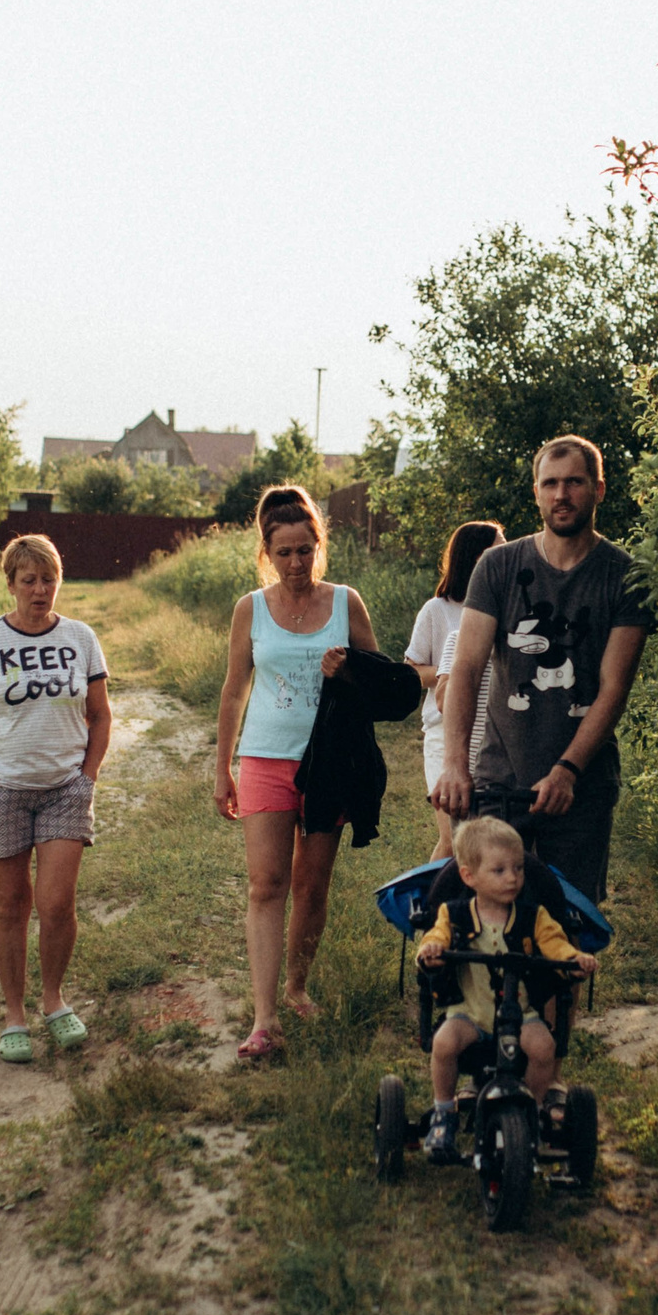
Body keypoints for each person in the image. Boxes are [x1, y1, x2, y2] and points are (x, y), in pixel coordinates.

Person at [432, 435, 654, 901]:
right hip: (499, 778)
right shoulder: (497, 566)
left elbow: (613, 689)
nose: (561, 495)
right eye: (550, 483)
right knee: (483, 920)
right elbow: (467, 670)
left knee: (566, 926)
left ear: (598, 488)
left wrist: (567, 771)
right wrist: (454, 764)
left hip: (581, 784)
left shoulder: (625, 575)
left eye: (574, 482)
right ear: (536, 491)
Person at [213, 486, 378, 1060]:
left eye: (305, 550)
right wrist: (222, 769)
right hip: (264, 757)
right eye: (283, 552)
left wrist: (348, 671)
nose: (296, 563)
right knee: (266, 885)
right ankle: (264, 1020)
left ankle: (298, 987)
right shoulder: (249, 609)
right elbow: (234, 691)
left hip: (329, 761)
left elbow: (379, 683)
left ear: (319, 546)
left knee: (311, 885)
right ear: (267, 552)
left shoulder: (346, 603)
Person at [0, 535, 111, 1063]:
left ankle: (54, 1001)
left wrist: (87, 777)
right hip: (5, 793)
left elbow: (101, 716)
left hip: (65, 789)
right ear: (11, 584)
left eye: (49, 580)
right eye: (29, 581)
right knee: (9, 906)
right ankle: (14, 1014)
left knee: (57, 904)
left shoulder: (81, 638)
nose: (40, 591)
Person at [413, 815, 597, 1163]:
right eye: (499, 871)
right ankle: (444, 1110)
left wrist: (574, 958)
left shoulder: (533, 916)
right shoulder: (454, 916)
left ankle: (533, 1106)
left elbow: (555, 944)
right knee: (444, 1043)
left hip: (521, 1014)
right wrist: (432, 951)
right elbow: (434, 938)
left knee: (544, 1048)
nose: (512, 878)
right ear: (469, 877)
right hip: (470, 1013)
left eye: (518, 869)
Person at [403, 520, 505, 860]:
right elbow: (411, 671)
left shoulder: (506, 608)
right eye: (497, 549)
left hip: (492, 735)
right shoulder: (439, 610)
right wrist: (461, 672)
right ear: (474, 559)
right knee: (453, 840)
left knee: (482, 839)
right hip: (443, 731)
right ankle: (431, 910)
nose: (506, 555)